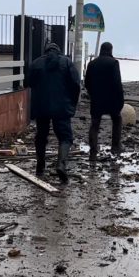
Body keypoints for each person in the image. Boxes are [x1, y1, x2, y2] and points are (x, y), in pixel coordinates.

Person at [27, 42, 81, 183]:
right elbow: (75, 85)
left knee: (41, 136)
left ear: (45, 51)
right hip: (61, 107)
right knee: (65, 138)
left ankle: (40, 166)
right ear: (59, 51)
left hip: (41, 107)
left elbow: (28, 82)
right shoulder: (67, 63)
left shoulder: (36, 64)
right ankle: (61, 165)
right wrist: (72, 103)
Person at [84, 42, 124, 162]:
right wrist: (120, 99)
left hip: (97, 99)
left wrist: (92, 94)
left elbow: (87, 83)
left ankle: (93, 151)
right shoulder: (114, 63)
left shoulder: (92, 64)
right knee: (117, 120)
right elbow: (117, 83)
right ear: (110, 50)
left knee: (95, 124)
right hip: (112, 100)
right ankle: (115, 147)